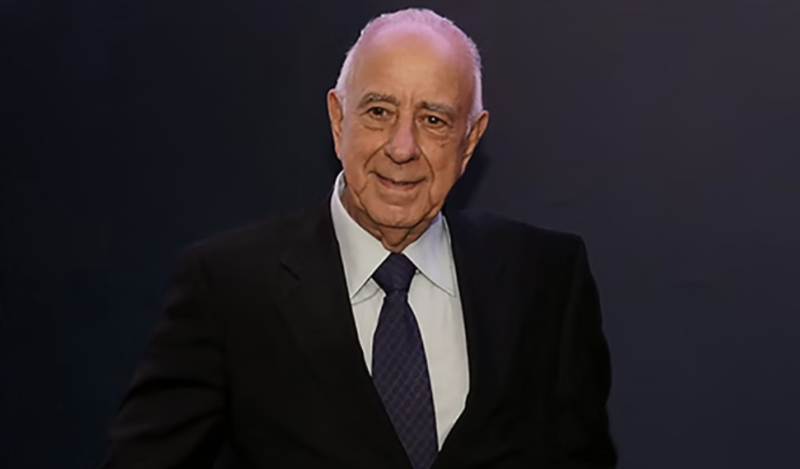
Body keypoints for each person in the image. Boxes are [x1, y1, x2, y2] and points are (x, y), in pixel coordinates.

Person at [102, 8, 617, 469]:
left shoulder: (546, 280)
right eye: (378, 112)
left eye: (433, 120)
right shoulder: (228, 288)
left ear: (469, 141)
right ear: (337, 120)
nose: (402, 147)